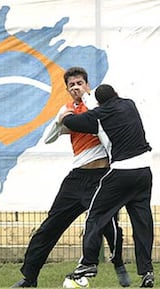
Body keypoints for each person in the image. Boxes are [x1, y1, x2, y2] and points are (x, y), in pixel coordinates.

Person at [12, 67, 130, 288]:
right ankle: (29, 277)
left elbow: (101, 126)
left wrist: (84, 104)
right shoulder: (68, 110)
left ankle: (119, 264)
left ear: (87, 85)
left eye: (80, 83)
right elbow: (48, 138)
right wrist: (60, 120)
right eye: (71, 85)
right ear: (67, 89)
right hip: (76, 178)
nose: (76, 87)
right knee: (50, 226)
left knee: (108, 226)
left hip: (101, 177)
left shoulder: (100, 105)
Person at [61, 84, 154, 288]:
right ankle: (147, 272)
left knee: (95, 216)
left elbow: (72, 122)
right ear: (117, 95)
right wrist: (87, 96)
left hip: (121, 173)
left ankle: (88, 264)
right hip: (144, 172)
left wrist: (66, 113)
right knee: (142, 223)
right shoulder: (129, 105)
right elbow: (102, 105)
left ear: (100, 103)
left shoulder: (99, 116)